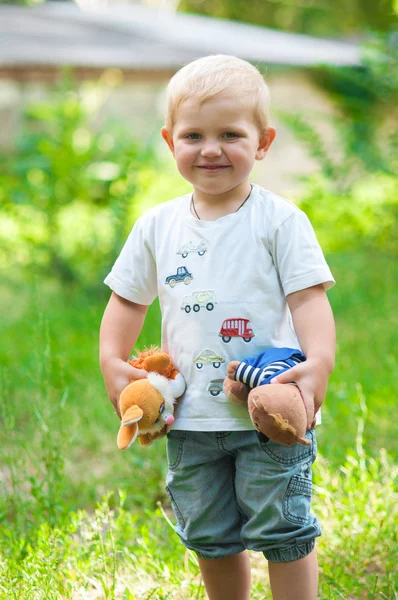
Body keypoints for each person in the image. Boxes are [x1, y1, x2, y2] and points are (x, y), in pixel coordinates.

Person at [99, 54, 336, 600]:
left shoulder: (279, 220)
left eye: (230, 133)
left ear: (263, 141)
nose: (210, 148)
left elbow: (308, 299)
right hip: (189, 420)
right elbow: (127, 301)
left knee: (284, 527)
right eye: (194, 135)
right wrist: (113, 361)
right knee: (209, 534)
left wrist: (317, 362)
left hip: (269, 410)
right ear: (169, 140)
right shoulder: (157, 226)